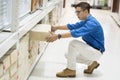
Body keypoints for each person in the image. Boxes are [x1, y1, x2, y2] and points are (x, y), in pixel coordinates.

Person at [47, 2, 105, 77]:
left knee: (73, 43)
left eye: (78, 12)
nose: (77, 14)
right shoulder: (86, 21)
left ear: (86, 11)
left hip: (96, 52)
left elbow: (75, 32)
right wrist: (56, 27)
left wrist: (57, 36)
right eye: (76, 12)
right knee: (68, 55)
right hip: (91, 50)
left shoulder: (92, 23)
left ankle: (71, 70)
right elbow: (72, 26)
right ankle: (92, 64)